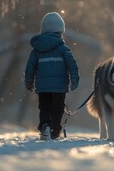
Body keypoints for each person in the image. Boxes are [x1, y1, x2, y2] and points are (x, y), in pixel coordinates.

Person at [24, 12, 79, 140]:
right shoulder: (63, 49)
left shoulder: (36, 50)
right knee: (58, 109)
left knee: (44, 107)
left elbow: (30, 67)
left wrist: (29, 81)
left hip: (43, 86)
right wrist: (74, 79)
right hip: (59, 87)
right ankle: (55, 131)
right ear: (60, 31)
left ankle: (45, 126)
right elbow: (72, 65)